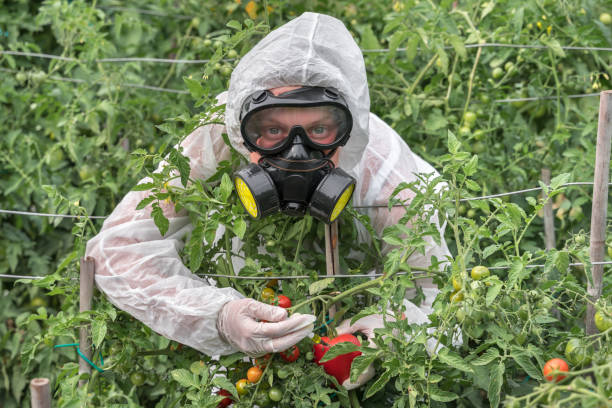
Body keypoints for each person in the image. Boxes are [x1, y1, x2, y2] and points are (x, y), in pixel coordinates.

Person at [85, 12, 450, 390]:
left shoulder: (389, 179)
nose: (296, 152)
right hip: (239, 371)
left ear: (349, 130)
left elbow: (441, 303)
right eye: (272, 130)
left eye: (319, 130)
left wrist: (386, 334)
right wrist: (218, 317)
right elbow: (119, 249)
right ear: (242, 132)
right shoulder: (216, 137)